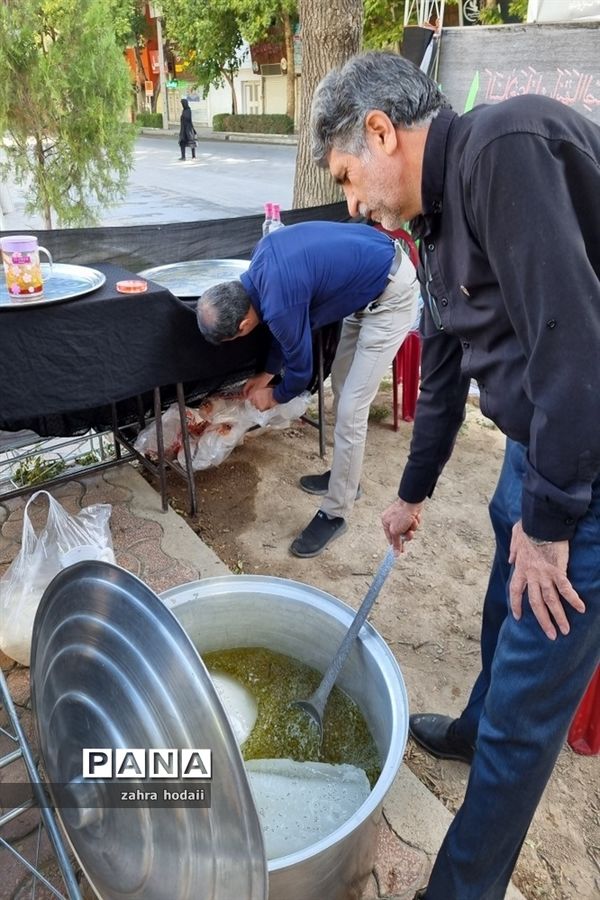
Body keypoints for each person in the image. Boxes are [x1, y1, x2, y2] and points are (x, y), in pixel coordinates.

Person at [310, 51, 600, 900]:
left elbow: (578, 354)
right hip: (536, 441)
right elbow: (442, 372)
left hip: (586, 452)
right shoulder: (432, 224)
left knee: (525, 716)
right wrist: (411, 492)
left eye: (347, 178)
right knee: (497, 588)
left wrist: (549, 528)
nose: (354, 203)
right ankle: (474, 725)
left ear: (379, 132)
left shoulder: (506, 150)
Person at [196, 220, 420, 557]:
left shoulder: (277, 301)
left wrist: (274, 394)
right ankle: (346, 477)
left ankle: (335, 513)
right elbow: (284, 323)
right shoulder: (260, 264)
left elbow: (301, 370)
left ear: (243, 326)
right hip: (366, 285)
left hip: (391, 295)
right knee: (344, 386)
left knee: (351, 409)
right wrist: (268, 372)